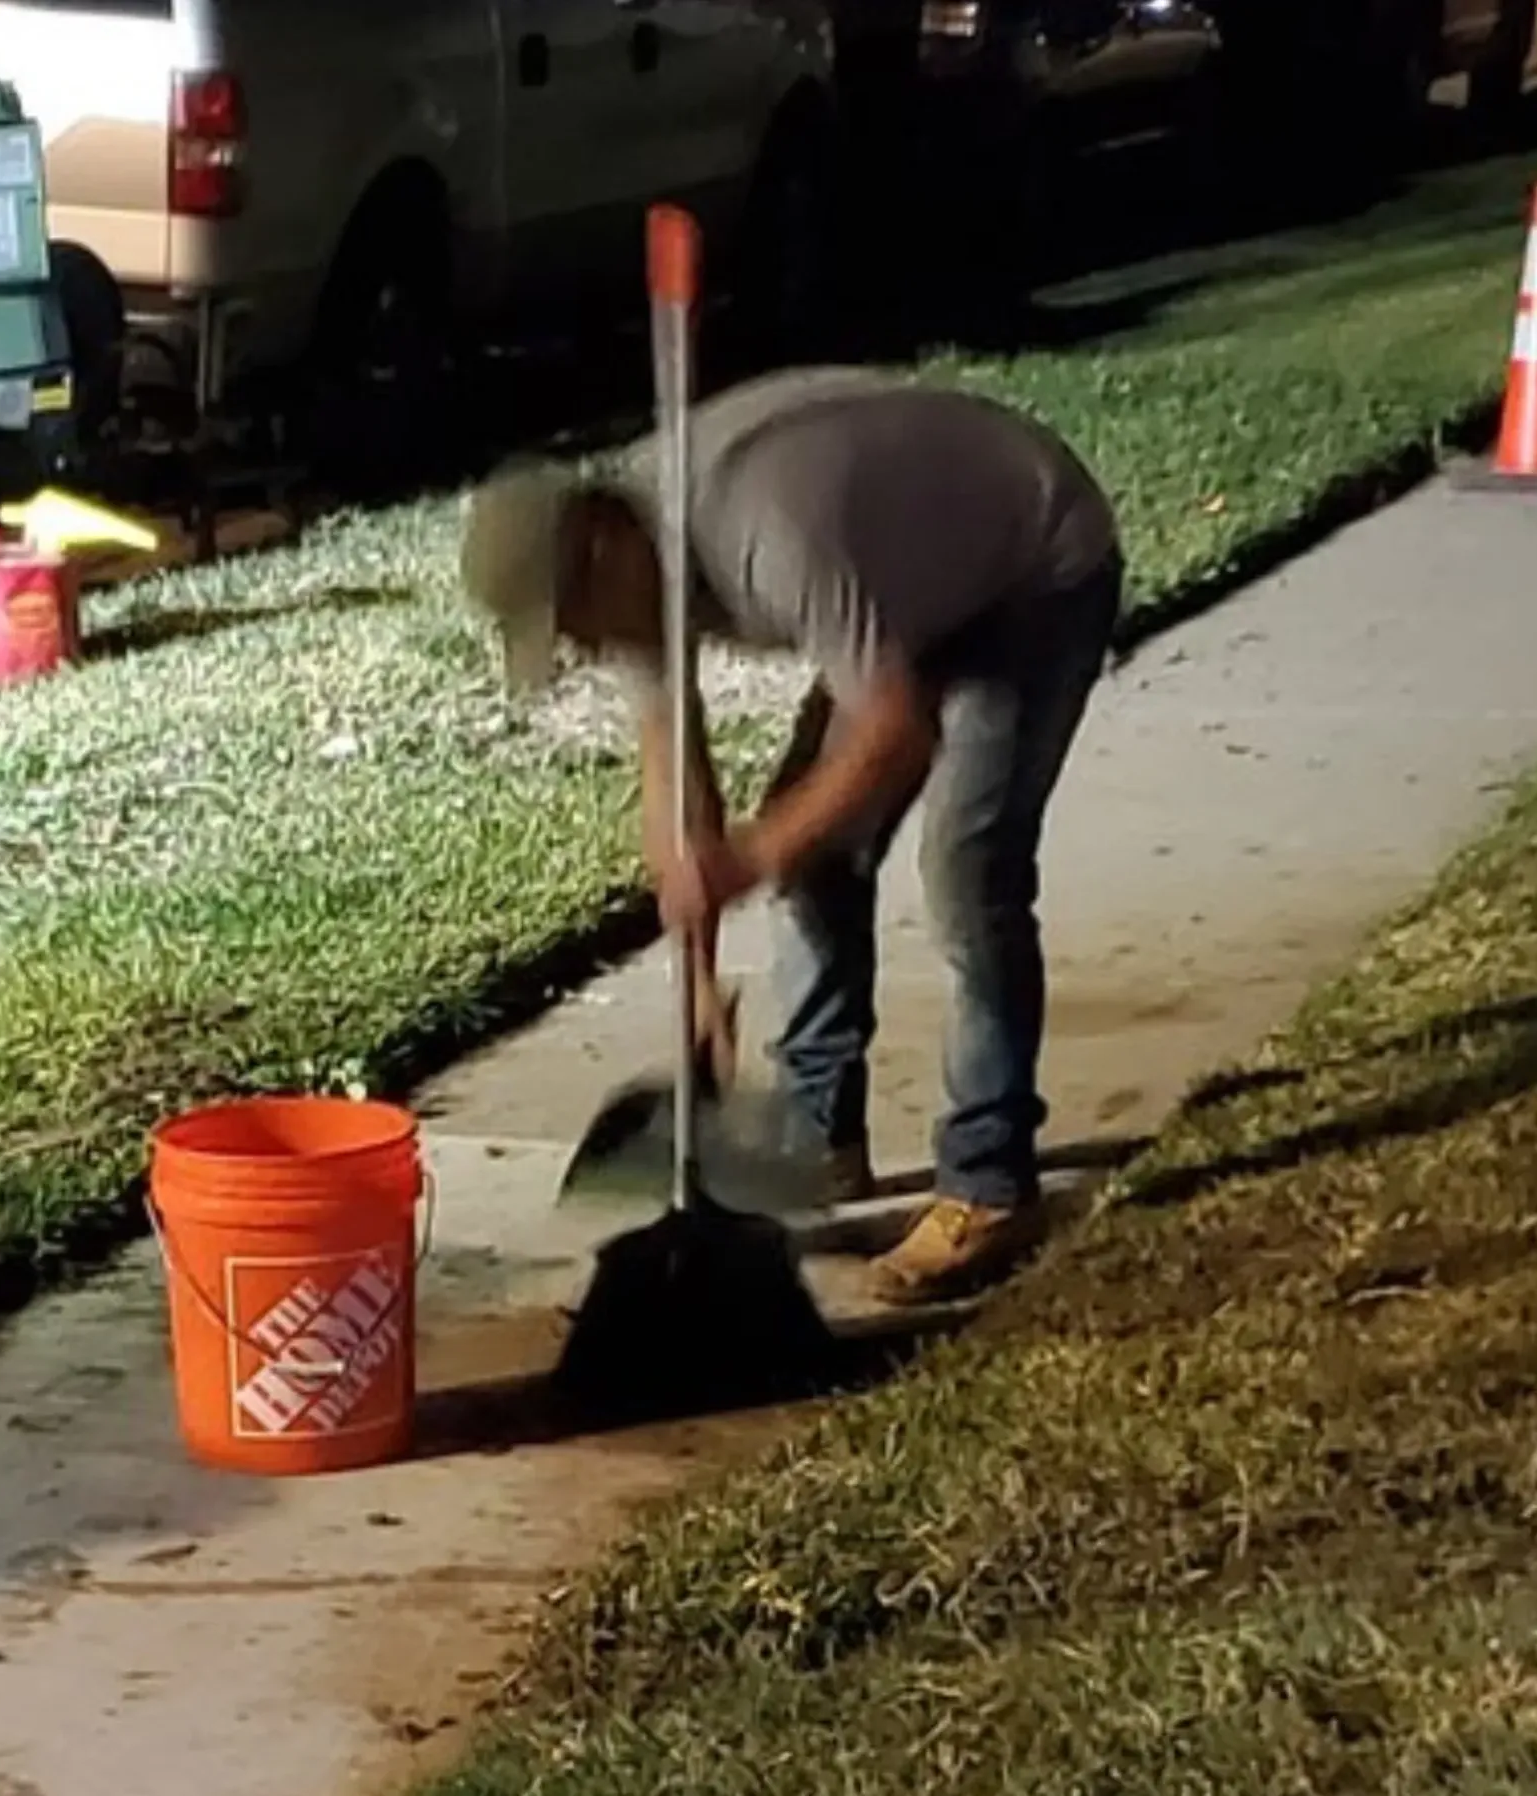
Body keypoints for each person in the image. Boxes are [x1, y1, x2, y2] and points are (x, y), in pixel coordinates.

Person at [458, 365, 1121, 1304]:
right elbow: (675, 774)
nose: (585, 650)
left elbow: (896, 729)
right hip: (907, 590)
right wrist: (696, 979)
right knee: (817, 859)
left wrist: (755, 852)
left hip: (1032, 570)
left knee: (969, 869)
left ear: (601, 551)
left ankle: (989, 1182)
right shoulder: (635, 573)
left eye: (573, 627)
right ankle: (820, 1141)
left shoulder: (771, 528)